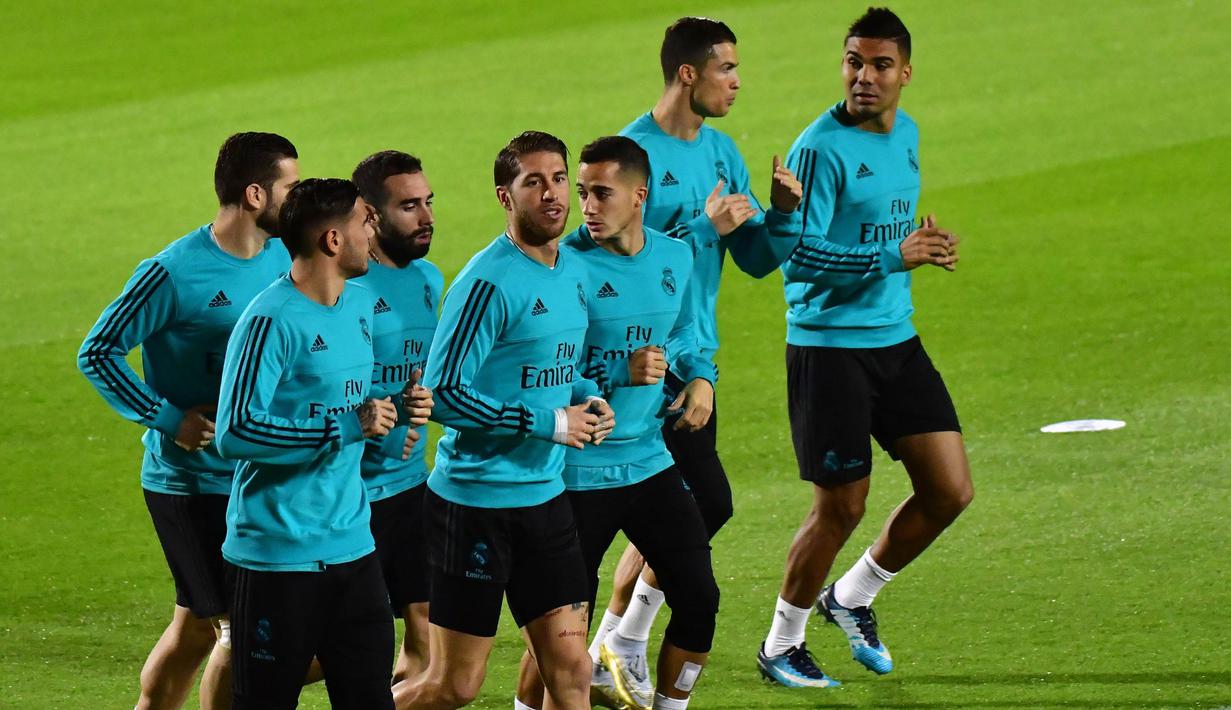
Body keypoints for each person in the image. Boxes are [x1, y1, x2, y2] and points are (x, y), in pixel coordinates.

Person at [756, 6, 971, 688]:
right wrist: (892, 256)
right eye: (853, 62)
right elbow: (796, 257)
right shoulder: (818, 148)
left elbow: (887, 232)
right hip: (829, 349)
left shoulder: (905, 132)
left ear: (905, 73)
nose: (864, 76)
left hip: (894, 339)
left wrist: (921, 250)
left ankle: (849, 597)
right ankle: (779, 644)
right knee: (840, 507)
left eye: (879, 65)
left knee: (948, 490)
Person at [590, 16, 804, 698]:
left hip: (691, 360)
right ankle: (608, 642)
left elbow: (753, 259)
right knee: (693, 504)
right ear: (689, 73)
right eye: (727, 70)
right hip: (631, 368)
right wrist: (698, 228)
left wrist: (781, 216)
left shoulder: (721, 153)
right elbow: (606, 256)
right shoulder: (630, 156)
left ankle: (613, 640)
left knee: (699, 509)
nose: (737, 82)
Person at [393, 131, 614, 710]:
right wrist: (550, 424)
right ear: (504, 196)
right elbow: (441, 396)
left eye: (559, 179)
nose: (552, 194)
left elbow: (560, 367)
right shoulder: (486, 283)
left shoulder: (571, 269)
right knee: (454, 687)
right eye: (533, 182)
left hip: (545, 501)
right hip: (475, 509)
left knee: (571, 669)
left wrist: (589, 399)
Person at [77, 131, 299, 710]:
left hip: (255, 476)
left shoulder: (283, 257)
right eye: (290, 187)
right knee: (236, 632)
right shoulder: (173, 272)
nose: (296, 200)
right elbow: (97, 351)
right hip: (191, 484)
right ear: (255, 195)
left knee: (198, 626)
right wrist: (168, 418)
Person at [514, 136, 719, 710]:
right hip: (579, 471)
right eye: (581, 193)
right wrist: (615, 369)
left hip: (649, 460)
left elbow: (682, 330)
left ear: (639, 196)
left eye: (601, 193)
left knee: (700, 597)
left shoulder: (675, 256)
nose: (587, 207)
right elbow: (543, 365)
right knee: (561, 629)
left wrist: (700, 376)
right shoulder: (566, 263)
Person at [216, 178, 429, 709]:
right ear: (333, 240)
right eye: (365, 222)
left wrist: (397, 407)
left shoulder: (359, 305)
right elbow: (235, 430)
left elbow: (347, 402)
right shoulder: (269, 321)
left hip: (355, 551)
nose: (373, 231)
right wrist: (344, 428)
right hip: (278, 561)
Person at [351, 150, 444, 682]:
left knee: (427, 637)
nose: (427, 217)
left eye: (429, 202)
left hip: (412, 487)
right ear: (370, 214)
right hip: (352, 497)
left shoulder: (429, 279)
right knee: (334, 650)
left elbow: (419, 373)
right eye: (409, 206)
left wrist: (417, 409)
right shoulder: (347, 287)